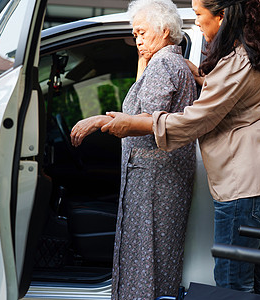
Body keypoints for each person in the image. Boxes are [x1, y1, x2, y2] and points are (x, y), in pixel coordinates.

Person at [99, 0, 260, 298]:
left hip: (245, 188)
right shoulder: (253, 52)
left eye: (200, 14)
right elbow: (238, 96)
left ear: (222, 15)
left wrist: (137, 125)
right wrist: (202, 77)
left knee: (233, 285)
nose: (197, 21)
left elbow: (200, 117)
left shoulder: (236, 60)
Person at [70, 0, 197, 299]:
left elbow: (148, 119)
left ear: (164, 30)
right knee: (153, 257)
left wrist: (99, 120)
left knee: (146, 257)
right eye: (135, 34)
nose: (138, 40)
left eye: (142, 32)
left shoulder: (165, 64)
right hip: (160, 177)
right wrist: (144, 56)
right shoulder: (168, 62)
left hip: (155, 180)